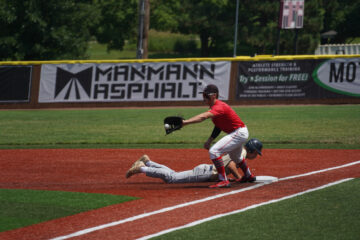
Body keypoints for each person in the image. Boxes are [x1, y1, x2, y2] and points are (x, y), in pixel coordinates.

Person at [182, 84, 255, 188]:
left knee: (214, 151)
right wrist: (210, 140)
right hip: (239, 132)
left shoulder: (219, 106)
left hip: (238, 132)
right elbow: (218, 126)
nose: (204, 98)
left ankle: (223, 180)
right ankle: (248, 176)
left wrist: (185, 122)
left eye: (206, 95)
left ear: (214, 95)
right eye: (203, 95)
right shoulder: (215, 107)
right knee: (236, 157)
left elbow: (203, 117)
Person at [125, 138, 263, 184]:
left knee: (173, 174)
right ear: (252, 150)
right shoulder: (242, 153)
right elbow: (232, 164)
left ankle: (148, 162)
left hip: (206, 170)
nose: (256, 156)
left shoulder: (240, 150)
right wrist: (240, 178)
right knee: (172, 178)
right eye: (257, 153)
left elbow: (228, 164)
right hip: (206, 173)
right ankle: (142, 168)